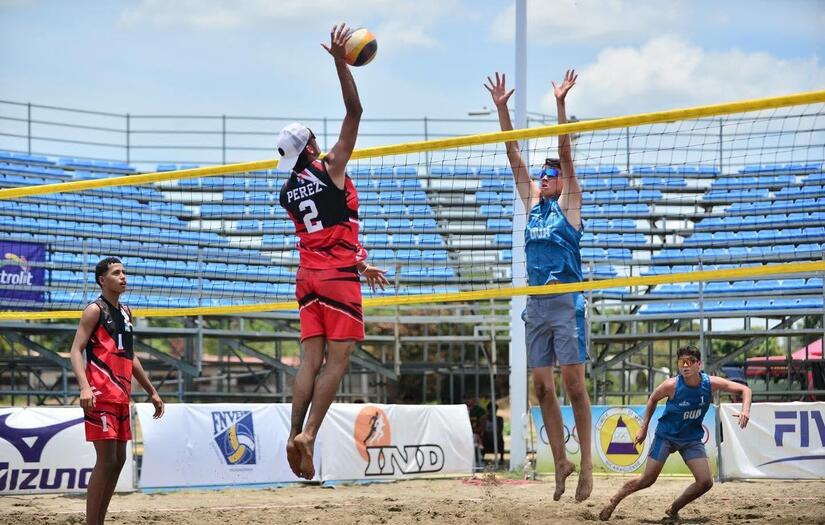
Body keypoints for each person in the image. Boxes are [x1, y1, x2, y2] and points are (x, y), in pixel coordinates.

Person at [278, 23, 389, 481]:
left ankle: (293, 432)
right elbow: (356, 111)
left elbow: (326, 229)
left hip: (308, 275)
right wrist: (341, 65)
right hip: (337, 276)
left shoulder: (287, 190)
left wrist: (360, 260)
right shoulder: (331, 168)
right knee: (337, 362)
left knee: (309, 360)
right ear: (313, 147)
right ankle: (310, 436)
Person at [485, 70, 592, 501]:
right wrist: (502, 109)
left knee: (574, 387)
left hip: (566, 302)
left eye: (550, 174)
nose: (544, 177)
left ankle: (585, 465)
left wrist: (561, 104)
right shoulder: (533, 206)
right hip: (537, 306)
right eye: (542, 174)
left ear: (562, 181)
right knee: (542, 388)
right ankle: (560, 462)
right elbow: (513, 155)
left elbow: (565, 153)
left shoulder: (569, 205)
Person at [599, 345, 752, 521]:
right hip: (666, 436)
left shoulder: (710, 383)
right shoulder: (671, 385)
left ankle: (673, 509)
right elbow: (653, 399)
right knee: (647, 480)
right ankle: (614, 499)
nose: (685, 366)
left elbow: (745, 390)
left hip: (691, 439)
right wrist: (643, 428)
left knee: (705, 482)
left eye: (690, 362)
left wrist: (745, 410)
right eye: (682, 362)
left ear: (699, 364)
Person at [68, 257, 164, 525]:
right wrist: (84, 386)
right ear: (102, 280)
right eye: (116, 273)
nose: (123, 277)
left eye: (125, 272)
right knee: (107, 460)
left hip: (122, 395)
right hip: (100, 394)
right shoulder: (94, 310)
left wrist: (151, 391)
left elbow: (129, 356)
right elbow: (75, 350)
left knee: (118, 461)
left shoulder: (126, 312)